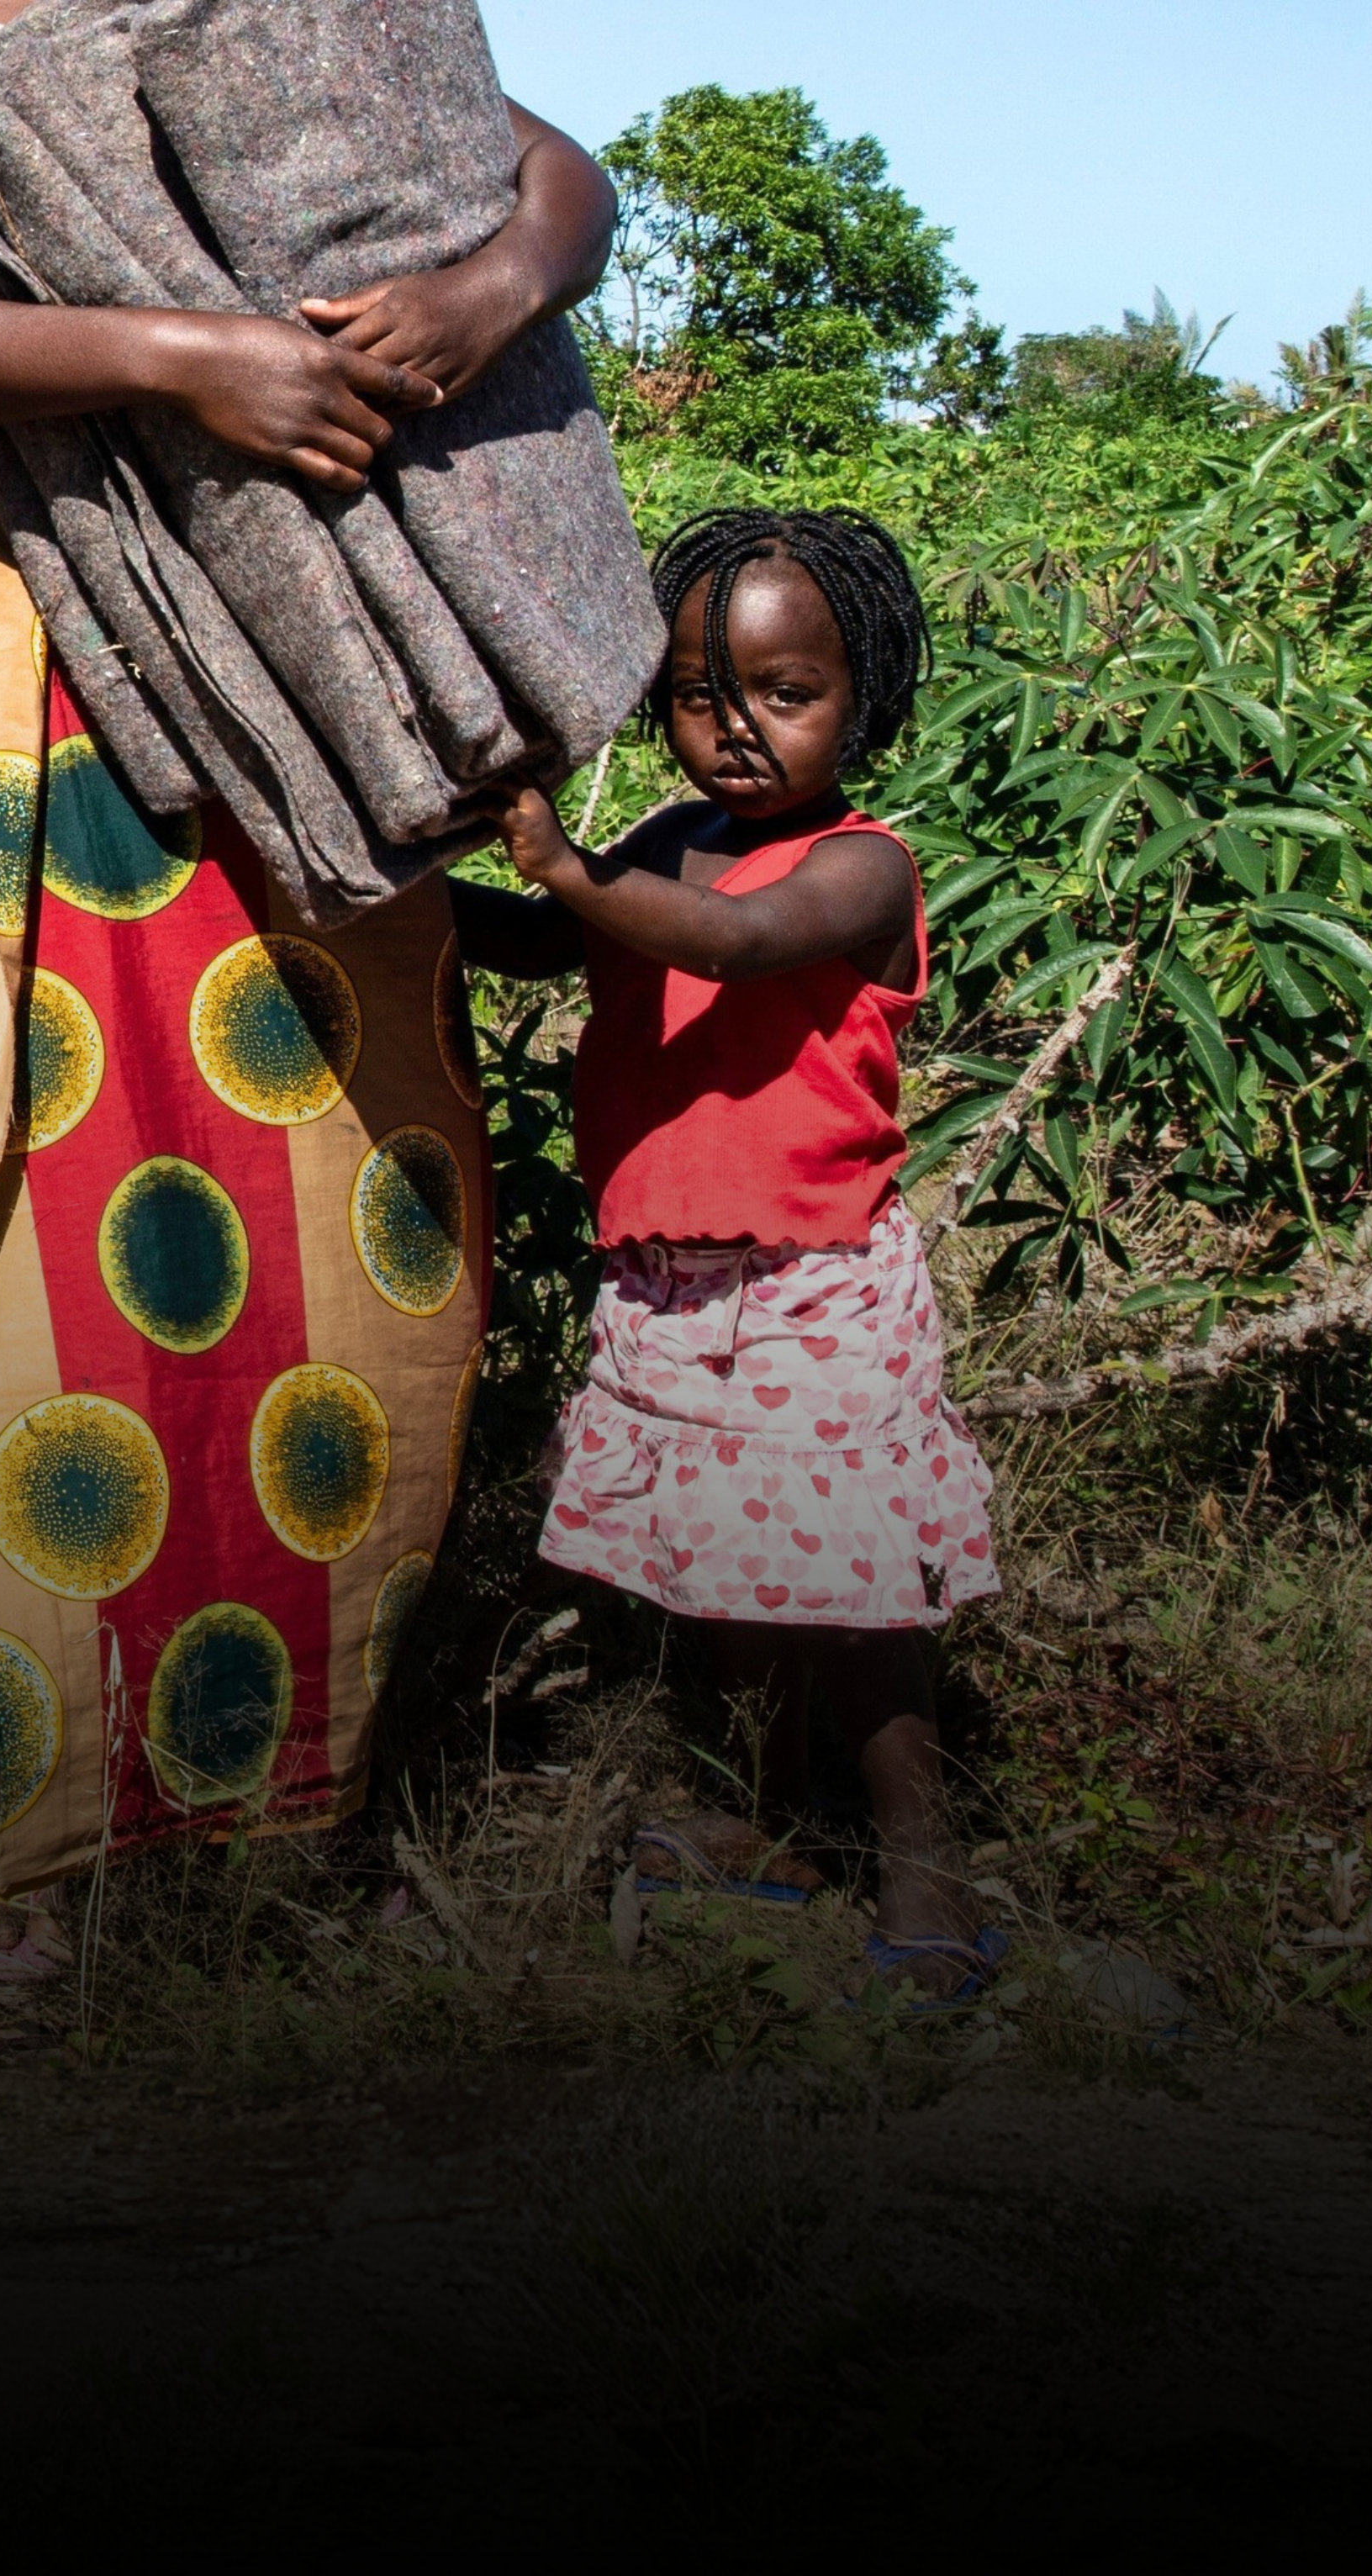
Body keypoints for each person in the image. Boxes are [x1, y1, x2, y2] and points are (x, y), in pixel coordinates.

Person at [0, 0, 618, 1908]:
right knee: (50, 1202)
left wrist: (485, 288)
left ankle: (307, 1780)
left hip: (323, 689)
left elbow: (544, 161)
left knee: (349, 1184)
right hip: (67, 683)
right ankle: (67, 1802)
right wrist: (195, 361)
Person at [457, 508, 1006, 2002]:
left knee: (857, 1599)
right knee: (728, 1577)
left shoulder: (864, 867)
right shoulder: (661, 844)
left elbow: (730, 945)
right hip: (671, 1280)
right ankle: (765, 1826)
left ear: (863, 693)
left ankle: (925, 1863)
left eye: (787, 693)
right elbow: (542, 942)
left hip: (813, 1285)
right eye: (703, 696)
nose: (740, 730)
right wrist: (402, 883)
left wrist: (568, 869)